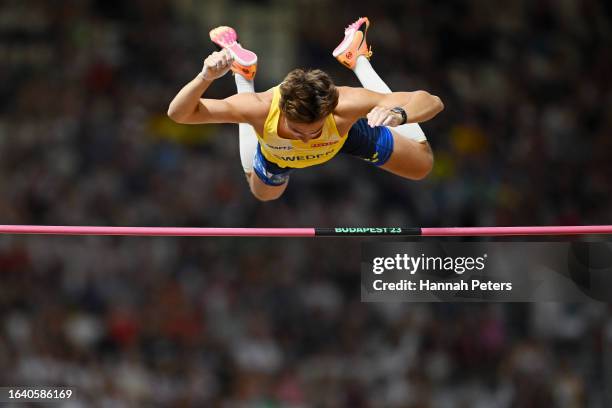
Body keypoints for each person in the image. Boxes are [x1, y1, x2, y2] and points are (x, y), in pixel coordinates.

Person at [168, 17, 443, 201]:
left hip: (344, 136)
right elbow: (179, 114)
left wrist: (398, 113)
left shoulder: (344, 105)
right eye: (299, 131)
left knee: (422, 165)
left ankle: (356, 58)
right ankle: (243, 75)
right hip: (278, 153)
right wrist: (205, 77)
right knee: (264, 194)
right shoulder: (260, 108)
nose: (308, 139)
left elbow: (431, 101)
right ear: (284, 112)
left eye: (314, 131)